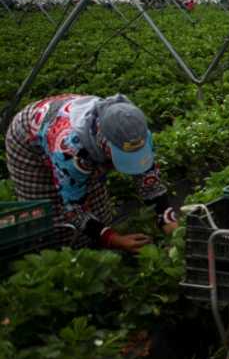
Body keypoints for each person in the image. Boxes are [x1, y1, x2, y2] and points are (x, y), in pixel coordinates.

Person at [4, 95, 178, 253]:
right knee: (54, 223)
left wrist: (169, 223)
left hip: (70, 128)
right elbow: (74, 208)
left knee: (100, 212)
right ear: (103, 142)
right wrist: (114, 240)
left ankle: (96, 247)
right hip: (28, 140)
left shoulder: (134, 131)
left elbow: (150, 182)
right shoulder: (70, 149)